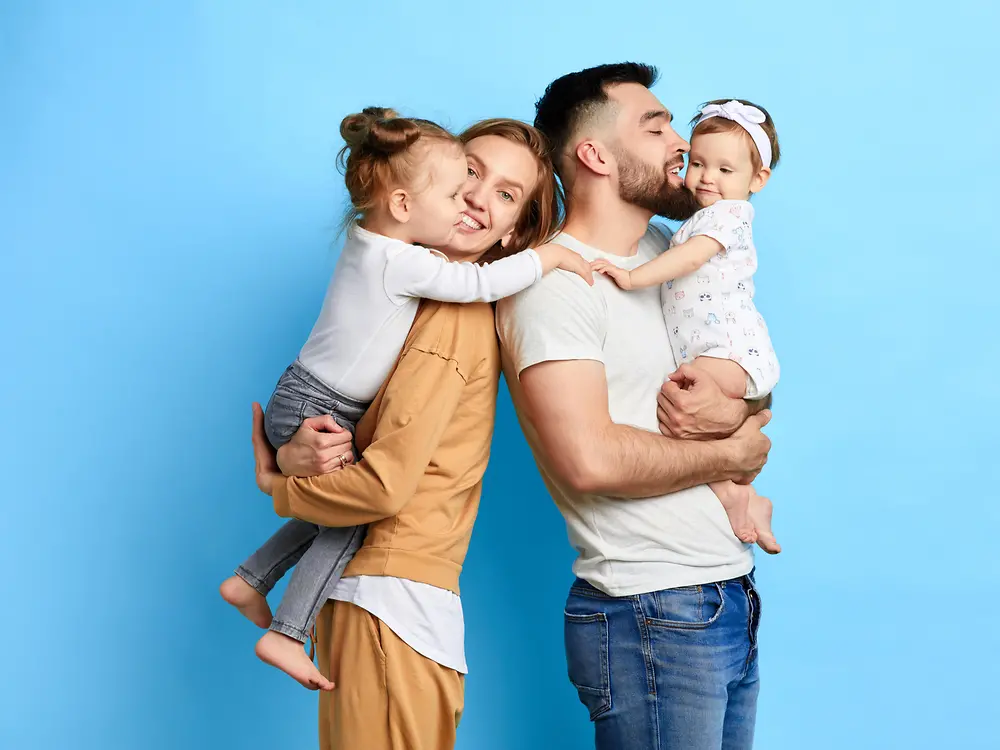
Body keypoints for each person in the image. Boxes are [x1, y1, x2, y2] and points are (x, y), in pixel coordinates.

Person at [220, 108, 591, 691]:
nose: (473, 198)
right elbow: (382, 487)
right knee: (347, 523)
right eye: (468, 172)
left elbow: (368, 450)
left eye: (506, 194)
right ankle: (286, 629)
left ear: (514, 230)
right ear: (420, 185)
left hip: (397, 594)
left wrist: (285, 471)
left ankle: (253, 579)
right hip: (392, 597)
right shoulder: (441, 299)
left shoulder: (411, 281)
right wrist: (283, 480)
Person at [495, 63, 773, 750]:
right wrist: (731, 452)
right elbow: (587, 461)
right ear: (594, 155)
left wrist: (747, 405)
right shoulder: (555, 286)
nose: (680, 141)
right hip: (649, 610)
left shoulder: (668, 252)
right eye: (655, 127)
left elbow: (738, 365)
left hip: (722, 594)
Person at [590, 97, 783, 553]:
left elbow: (692, 257)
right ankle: (740, 497)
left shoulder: (729, 217)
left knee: (682, 413)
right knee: (686, 432)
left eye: (725, 170)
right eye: (698, 163)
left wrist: (632, 276)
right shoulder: (694, 220)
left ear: (758, 180)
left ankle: (740, 488)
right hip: (707, 347)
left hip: (728, 348)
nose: (706, 177)